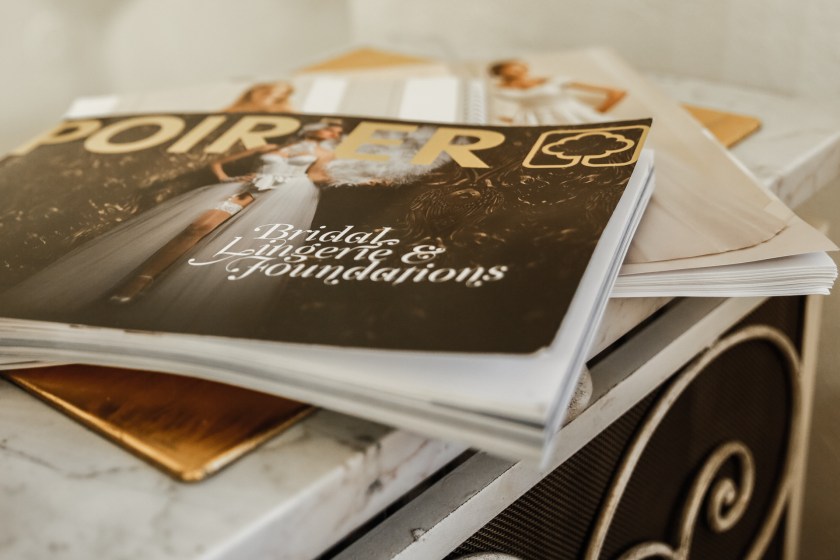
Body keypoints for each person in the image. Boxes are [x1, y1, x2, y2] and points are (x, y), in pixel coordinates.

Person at [488, 60, 624, 125]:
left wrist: (597, 113)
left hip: (571, 117)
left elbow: (616, 92)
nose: (515, 71)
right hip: (532, 122)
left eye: (516, 67)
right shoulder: (501, 90)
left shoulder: (556, 81)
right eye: (507, 69)